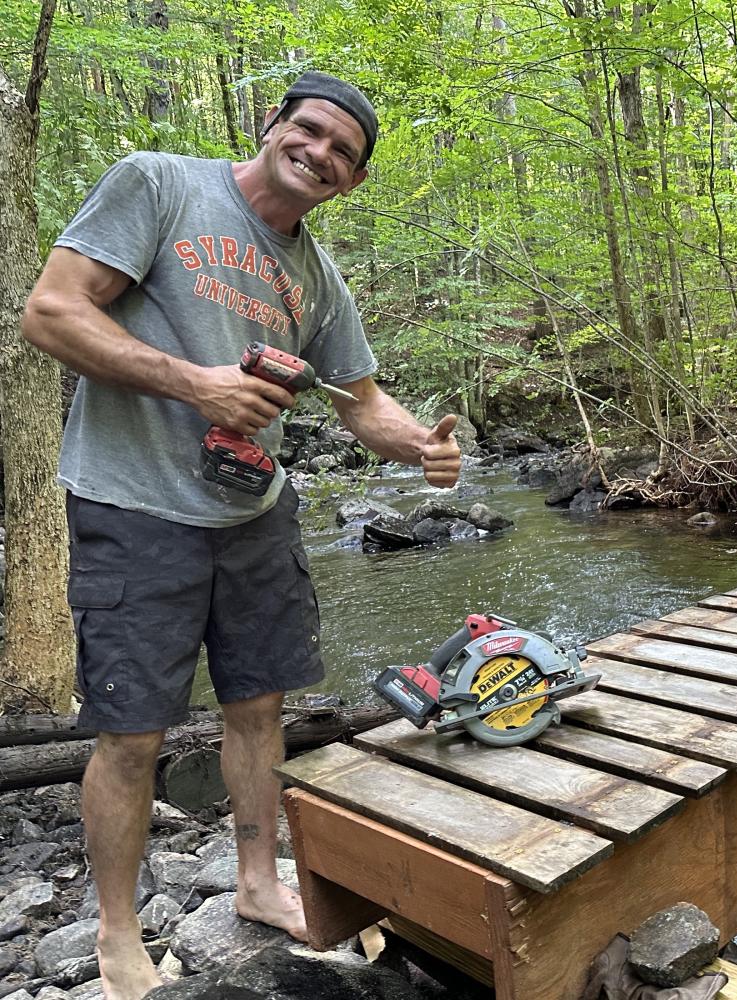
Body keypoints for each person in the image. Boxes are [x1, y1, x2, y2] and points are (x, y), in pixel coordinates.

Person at [21, 72, 462, 1000]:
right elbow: (51, 311)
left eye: (343, 152)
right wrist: (197, 383)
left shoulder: (319, 278)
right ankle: (114, 934)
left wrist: (423, 444)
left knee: (260, 708)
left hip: (254, 515)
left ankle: (260, 885)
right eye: (308, 131)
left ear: (353, 181)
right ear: (271, 127)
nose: (319, 153)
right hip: (133, 504)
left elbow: (362, 401)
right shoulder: (162, 184)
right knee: (132, 732)